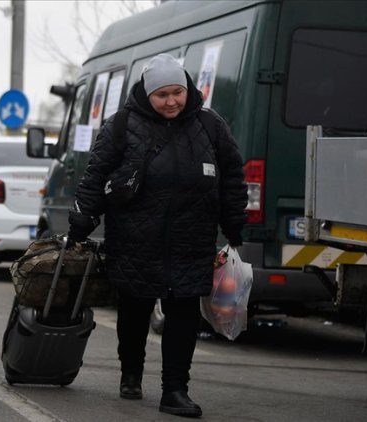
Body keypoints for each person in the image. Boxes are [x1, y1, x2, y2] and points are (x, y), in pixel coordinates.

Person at [68, 54, 248, 418]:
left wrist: (234, 223)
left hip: (191, 237)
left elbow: (232, 177)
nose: (171, 102)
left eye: (178, 93)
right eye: (162, 95)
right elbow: (96, 173)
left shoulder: (210, 125)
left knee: (184, 310)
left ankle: (175, 390)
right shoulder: (121, 125)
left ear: (188, 89)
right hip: (136, 235)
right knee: (134, 307)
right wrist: (83, 218)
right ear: (148, 95)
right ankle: (130, 372)